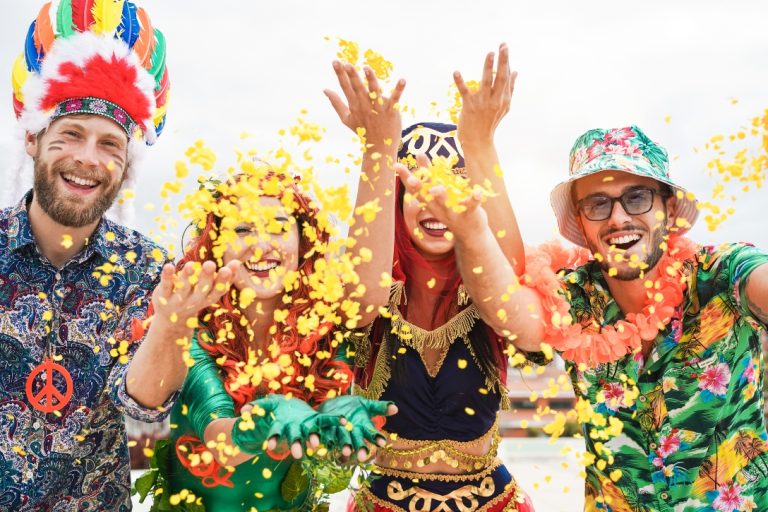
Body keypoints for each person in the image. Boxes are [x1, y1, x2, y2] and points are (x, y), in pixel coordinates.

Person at [400, 124, 768, 511]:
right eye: (598, 204)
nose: (618, 218)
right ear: (582, 222)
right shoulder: (574, 296)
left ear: (669, 209)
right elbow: (511, 315)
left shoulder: (724, 274)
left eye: (637, 197)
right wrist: (473, 230)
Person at [0, 2, 238, 510]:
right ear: (33, 139)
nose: (88, 158)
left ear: (127, 164)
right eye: (70, 135)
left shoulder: (149, 269)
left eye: (111, 144)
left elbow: (143, 405)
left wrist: (170, 327)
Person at [325, 44, 535, 511]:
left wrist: (481, 142)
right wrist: (378, 148)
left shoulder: (488, 290)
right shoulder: (371, 283)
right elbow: (359, 302)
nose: (436, 199)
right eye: (417, 186)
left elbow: (513, 285)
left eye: (454, 183)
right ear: (395, 203)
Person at [138, 167, 396, 511]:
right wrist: (267, 422)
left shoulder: (326, 328)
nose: (261, 246)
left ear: (303, 242)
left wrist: (340, 421)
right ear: (216, 246)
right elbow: (220, 442)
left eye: (277, 227)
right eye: (242, 229)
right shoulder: (192, 325)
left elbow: (328, 425)